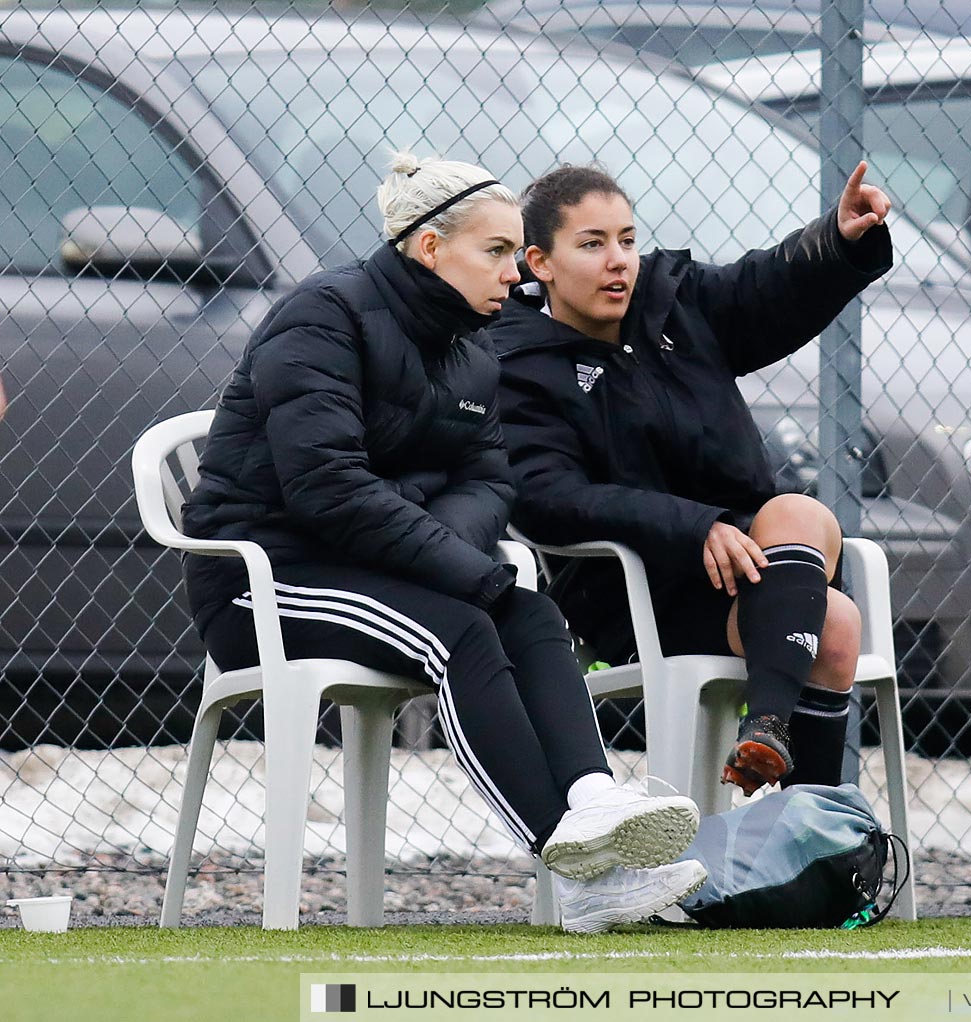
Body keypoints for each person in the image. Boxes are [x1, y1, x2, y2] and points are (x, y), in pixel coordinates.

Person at [181, 152, 706, 934]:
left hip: (375, 570)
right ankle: (579, 871)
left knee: (527, 612)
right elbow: (325, 487)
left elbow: (490, 480)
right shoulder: (321, 315)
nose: (514, 275)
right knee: (462, 627)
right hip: (264, 580)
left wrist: (447, 556)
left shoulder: (472, 348)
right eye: (495, 252)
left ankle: (593, 800)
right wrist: (457, 566)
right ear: (430, 248)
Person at [492, 161, 893, 796]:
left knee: (807, 529)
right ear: (539, 262)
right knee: (834, 621)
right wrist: (691, 524)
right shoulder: (515, 361)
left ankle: (770, 740)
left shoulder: (673, 301)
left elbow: (766, 287)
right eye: (592, 244)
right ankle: (803, 839)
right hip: (639, 587)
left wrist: (838, 240)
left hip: (750, 562)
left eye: (626, 239)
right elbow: (546, 498)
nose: (619, 260)